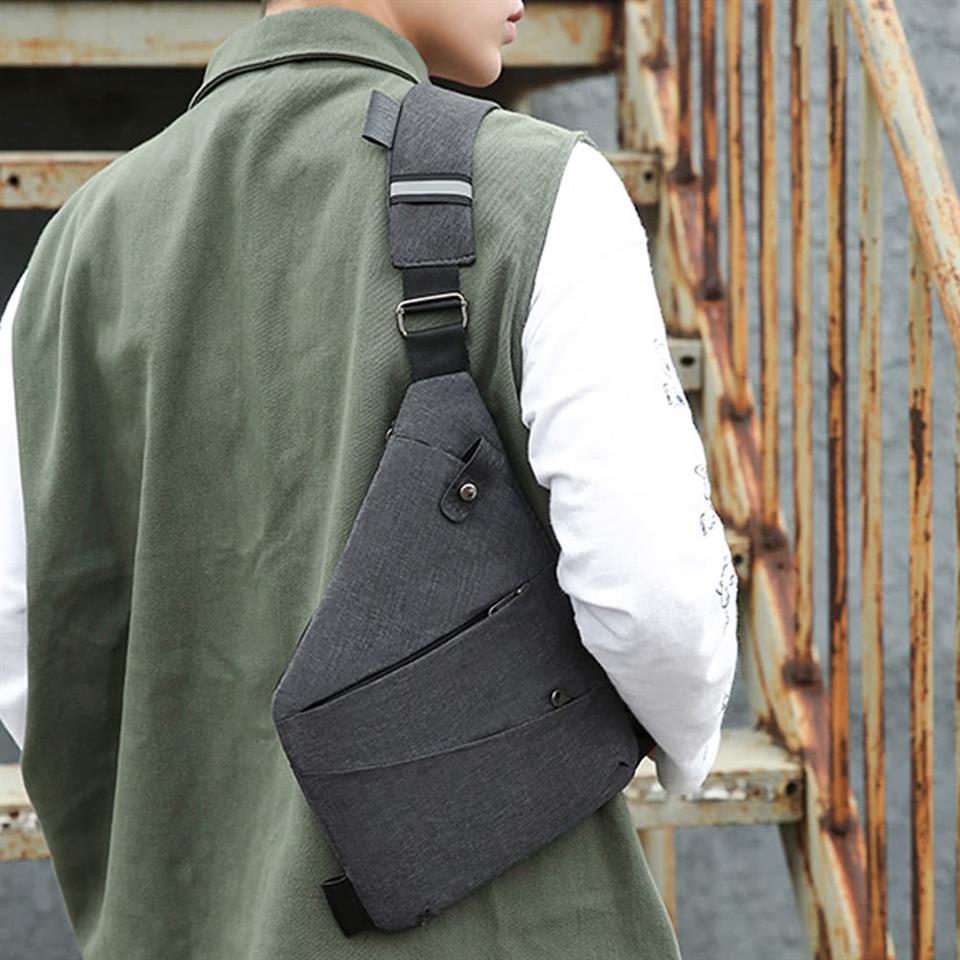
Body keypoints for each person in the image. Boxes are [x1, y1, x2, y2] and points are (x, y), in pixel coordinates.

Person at [0, 1, 738, 957]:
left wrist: (184, 807)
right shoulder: (537, 188)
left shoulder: (70, 251)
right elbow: (656, 603)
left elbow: (30, 625)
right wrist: (686, 746)